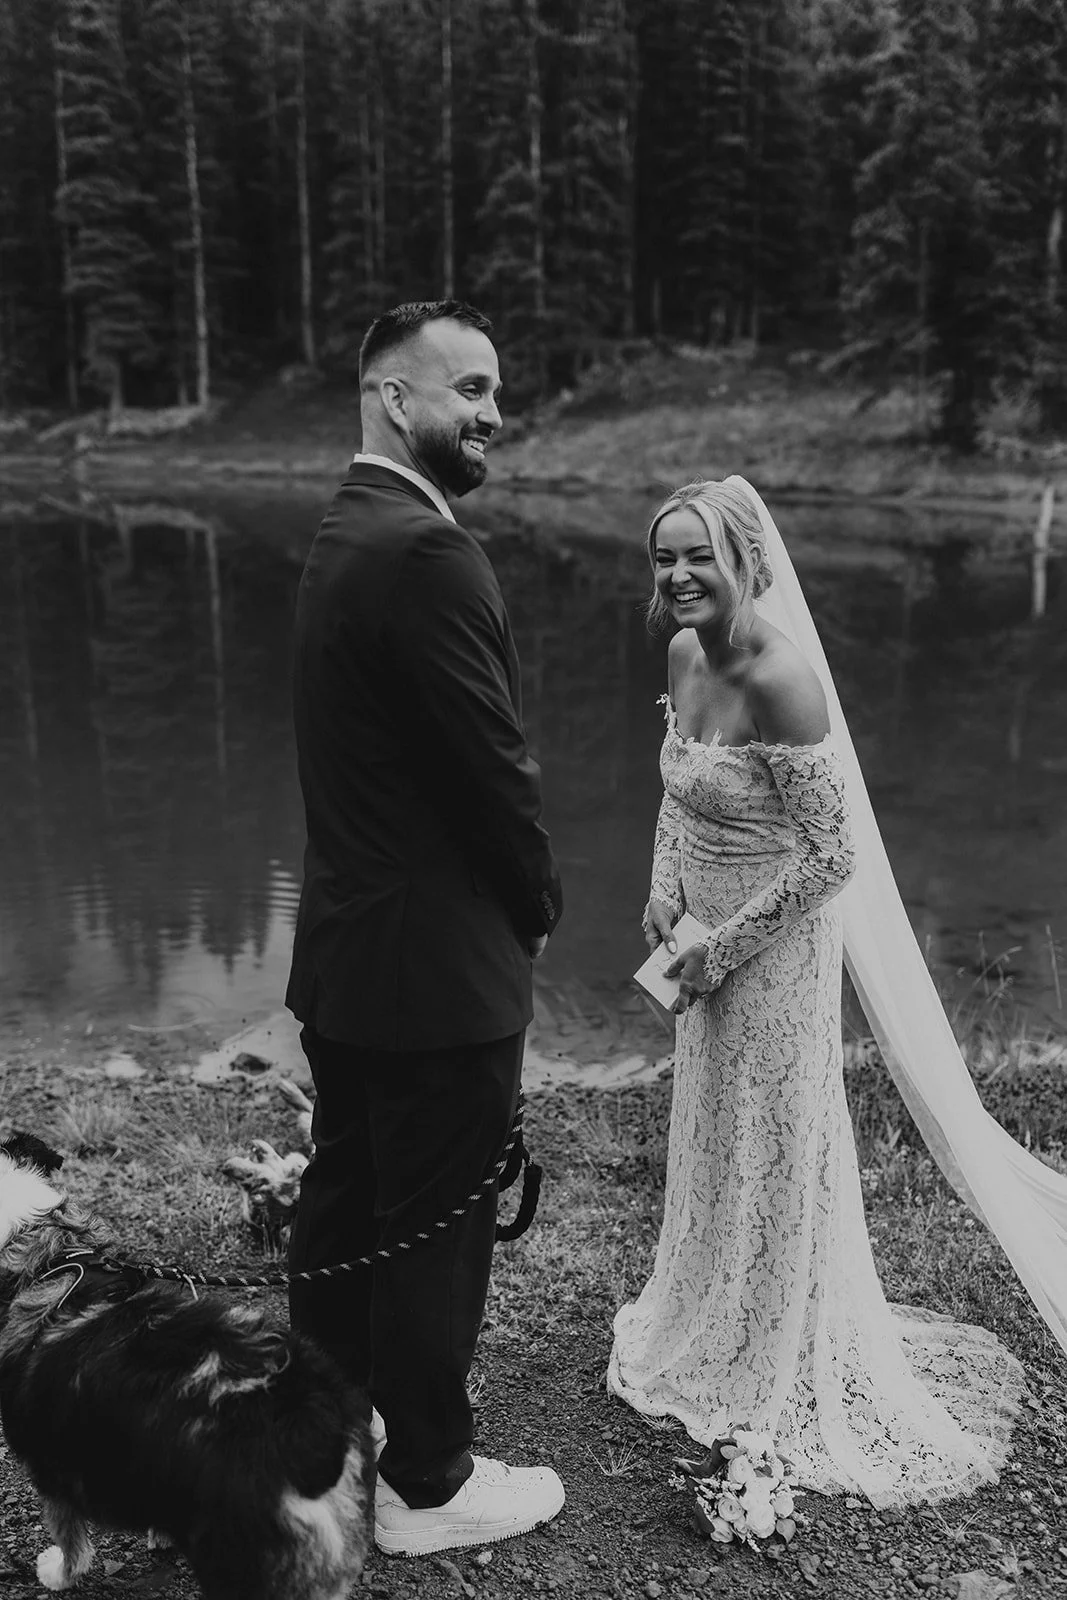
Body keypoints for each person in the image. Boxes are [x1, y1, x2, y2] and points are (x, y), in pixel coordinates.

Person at [608, 478, 1029, 1508]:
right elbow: (677, 791)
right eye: (664, 557)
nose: (677, 576)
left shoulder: (783, 680)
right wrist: (662, 894)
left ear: (747, 562)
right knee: (715, 1129)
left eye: (698, 555)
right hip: (699, 943)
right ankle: (708, 1308)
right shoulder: (681, 654)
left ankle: (774, 1343)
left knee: (774, 1134)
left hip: (774, 950)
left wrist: (726, 947)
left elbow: (832, 856)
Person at [285, 300, 565, 1555]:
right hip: (435, 972)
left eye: (494, 389)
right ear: (398, 400)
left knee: (347, 1211)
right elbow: (491, 772)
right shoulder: (425, 553)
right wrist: (537, 906)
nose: (493, 412)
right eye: (471, 389)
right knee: (434, 1228)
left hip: (352, 959)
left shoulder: (346, 530)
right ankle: (429, 1485)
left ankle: (323, 1445)